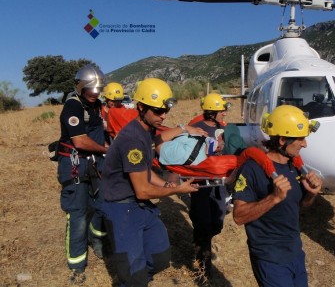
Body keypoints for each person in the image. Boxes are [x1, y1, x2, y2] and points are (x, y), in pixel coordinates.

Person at [100, 78, 200, 287]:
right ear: (141, 107)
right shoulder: (132, 139)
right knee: (133, 273)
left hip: (138, 205)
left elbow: (146, 170)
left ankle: (135, 281)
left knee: (160, 257)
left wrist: (166, 185)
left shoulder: (145, 132)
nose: (163, 116)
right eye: (158, 111)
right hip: (122, 208)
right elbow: (143, 191)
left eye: (165, 111)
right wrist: (178, 190)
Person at [232, 105, 322, 287]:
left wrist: (312, 194)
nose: (305, 144)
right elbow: (239, 216)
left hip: (295, 253)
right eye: (301, 139)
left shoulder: (294, 166)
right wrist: (274, 198)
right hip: (270, 258)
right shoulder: (252, 169)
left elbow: (301, 206)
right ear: (282, 140)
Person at [56, 64, 109, 284]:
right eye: (91, 89)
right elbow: (79, 140)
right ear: (80, 87)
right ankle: (77, 264)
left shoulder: (97, 106)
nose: (95, 93)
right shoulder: (73, 106)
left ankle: (97, 242)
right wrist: (107, 149)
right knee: (77, 214)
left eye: (98, 88)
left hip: (95, 164)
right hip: (75, 166)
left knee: (100, 206)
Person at [187, 93, 231, 278]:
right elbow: (190, 154)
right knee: (202, 221)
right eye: (222, 111)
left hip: (219, 183)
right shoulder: (196, 128)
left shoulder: (224, 128)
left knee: (218, 220)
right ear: (212, 113)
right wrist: (213, 148)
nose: (224, 115)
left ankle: (204, 239)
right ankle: (203, 260)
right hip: (201, 184)